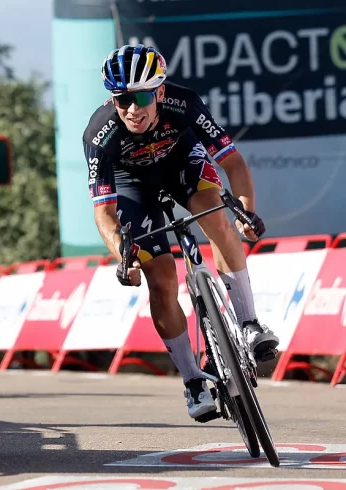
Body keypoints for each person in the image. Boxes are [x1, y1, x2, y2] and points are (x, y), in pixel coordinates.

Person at [82, 44, 279, 421]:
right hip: (131, 185)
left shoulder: (183, 103)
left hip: (181, 162)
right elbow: (104, 214)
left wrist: (246, 212)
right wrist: (122, 257)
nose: (133, 110)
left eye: (141, 97)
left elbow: (234, 164)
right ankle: (192, 380)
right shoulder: (99, 134)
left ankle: (249, 323)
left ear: (158, 91)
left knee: (214, 213)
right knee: (160, 278)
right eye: (123, 100)